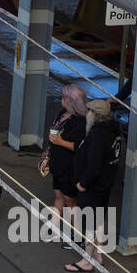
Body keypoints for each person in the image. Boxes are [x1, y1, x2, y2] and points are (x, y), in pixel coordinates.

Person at [64, 98, 123, 273]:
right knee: (98, 221)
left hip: (92, 187)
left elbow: (94, 164)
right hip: (104, 186)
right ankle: (97, 254)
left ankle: (87, 260)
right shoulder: (114, 133)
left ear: (96, 116)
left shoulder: (98, 135)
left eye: (89, 112)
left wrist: (83, 183)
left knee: (89, 222)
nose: (87, 115)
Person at [47, 84, 88, 246]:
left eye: (64, 98)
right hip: (57, 162)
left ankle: (77, 235)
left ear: (71, 102)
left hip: (70, 166)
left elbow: (78, 146)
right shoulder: (63, 113)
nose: (61, 100)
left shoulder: (80, 121)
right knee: (58, 194)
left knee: (70, 200)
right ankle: (54, 225)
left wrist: (60, 141)